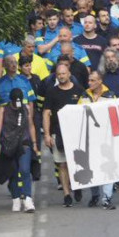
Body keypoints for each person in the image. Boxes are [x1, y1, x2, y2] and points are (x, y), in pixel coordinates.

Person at [43, 62, 86, 207]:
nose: (61, 76)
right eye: (59, 74)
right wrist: (47, 134)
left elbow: (87, 110)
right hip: (58, 133)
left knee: (76, 163)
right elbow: (46, 113)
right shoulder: (51, 92)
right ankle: (67, 194)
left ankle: (77, 186)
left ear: (69, 74)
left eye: (64, 73)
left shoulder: (79, 90)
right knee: (62, 164)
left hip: (76, 133)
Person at [0, 87, 38, 213]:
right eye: (15, 101)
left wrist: (34, 143)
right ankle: (16, 198)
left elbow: (31, 125)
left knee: (24, 169)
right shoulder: (3, 110)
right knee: (12, 172)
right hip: (8, 145)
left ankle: (28, 199)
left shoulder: (26, 109)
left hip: (24, 143)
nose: (17, 104)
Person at [79, 71, 116, 209]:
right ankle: (95, 195)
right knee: (91, 168)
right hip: (90, 140)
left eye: (93, 80)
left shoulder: (110, 96)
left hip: (106, 139)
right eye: (89, 80)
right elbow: (77, 114)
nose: (89, 83)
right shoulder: (84, 96)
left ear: (100, 81)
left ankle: (107, 197)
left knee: (108, 168)